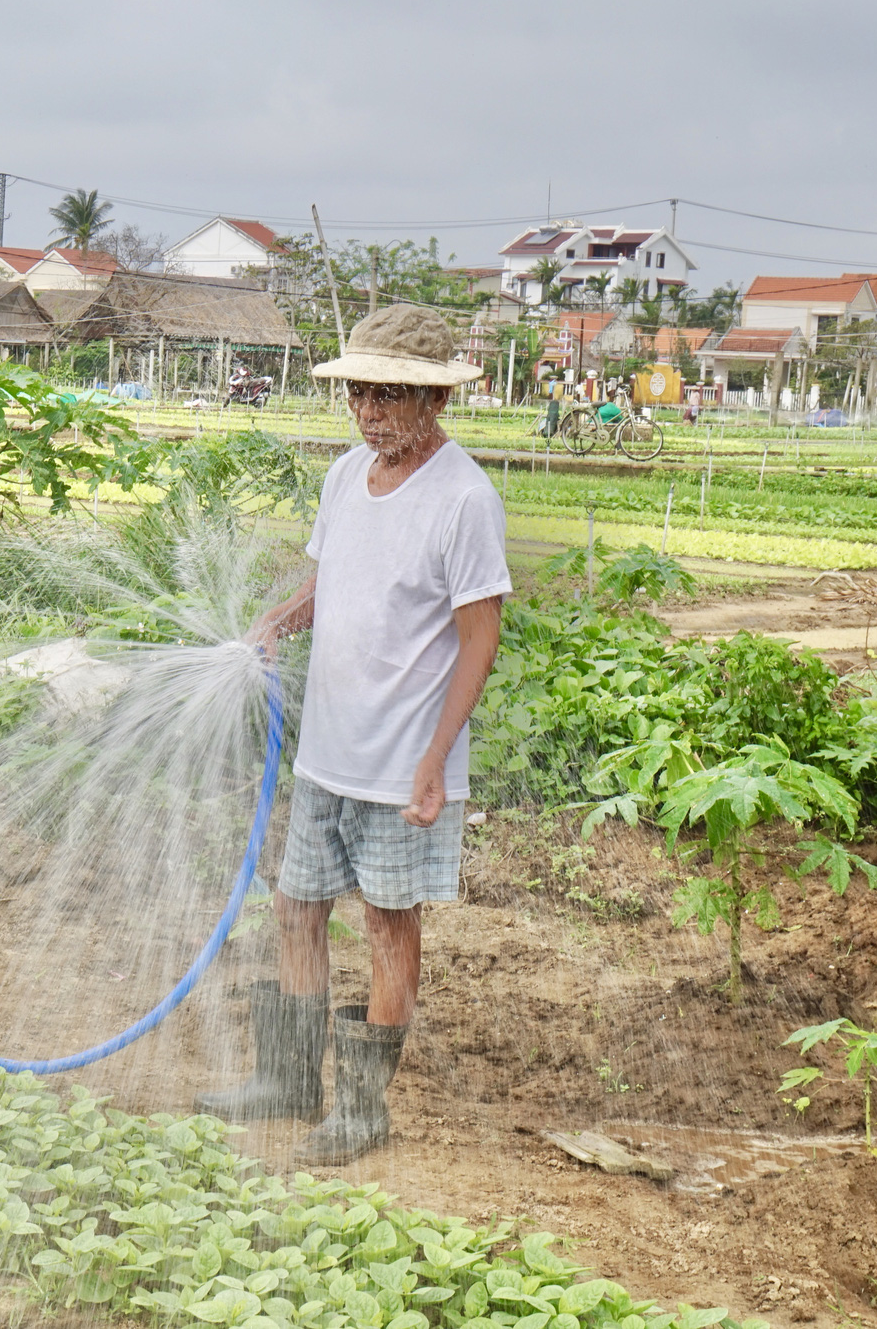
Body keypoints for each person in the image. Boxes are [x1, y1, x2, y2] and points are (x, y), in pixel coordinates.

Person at [196, 305, 510, 1165]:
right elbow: (330, 582)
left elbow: (480, 638)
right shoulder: (344, 476)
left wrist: (437, 757)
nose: (371, 412)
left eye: (390, 396)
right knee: (296, 909)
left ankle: (362, 1109)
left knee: (385, 925)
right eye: (360, 394)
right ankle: (290, 1079)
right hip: (328, 752)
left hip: (404, 762)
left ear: (435, 401)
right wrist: (278, 619)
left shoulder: (463, 499)